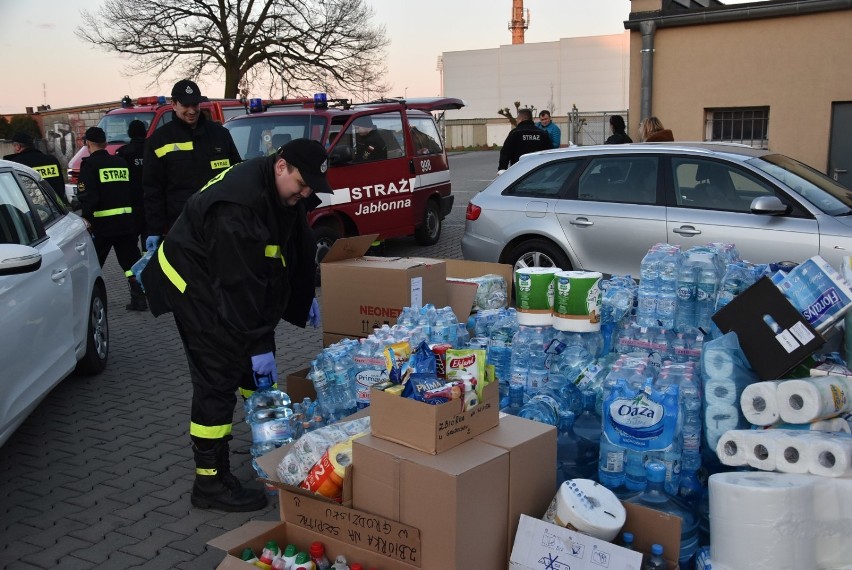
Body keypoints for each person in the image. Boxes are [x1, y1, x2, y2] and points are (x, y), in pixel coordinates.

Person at [141, 138, 330, 512]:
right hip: (195, 287)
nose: (306, 193)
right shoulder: (236, 209)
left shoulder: (277, 189)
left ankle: (266, 438)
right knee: (218, 375)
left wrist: (303, 292)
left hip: (226, 281)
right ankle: (210, 482)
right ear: (281, 166)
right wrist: (257, 343)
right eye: (302, 183)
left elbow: (290, 243)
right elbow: (240, 289)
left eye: (312, 186)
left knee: (253, 361)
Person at [143, 79, 241, 253]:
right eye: (186, 105)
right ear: (173, 104)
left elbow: (237, 175)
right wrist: (155, 229)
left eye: (195, 104)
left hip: (220, 223)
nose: (192, 110)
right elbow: (153, 189)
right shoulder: (159, 140)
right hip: (181, 226)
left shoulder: (220, 134)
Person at [76, 127, 147, 311]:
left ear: (87, 144)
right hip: (125, 224)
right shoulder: (121, 162)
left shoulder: (89, 165)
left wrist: (86, 218)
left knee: (94, 266)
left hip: (102, 227)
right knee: (131, 263)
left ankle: (90, 303)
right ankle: (140, 298)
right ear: (105, 143)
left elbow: (89, 197)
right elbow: (132, 191)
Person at [4, 131, 69, 206]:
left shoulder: (16, 164)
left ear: (18, 146)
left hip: (34, 210)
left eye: (14, 147)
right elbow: (61, 185)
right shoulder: (52, 160)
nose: (14, 149)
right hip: (57, 208)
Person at [116, 120, 148, 252]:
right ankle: (150, 267)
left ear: (129, 133)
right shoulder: (152, 148)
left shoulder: (123, 153)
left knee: (131, 242)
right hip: (152, 202)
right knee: (150, 240)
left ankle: (136, 267)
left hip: (132, 203)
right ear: (145, 132)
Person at [498, 108, 552, 173]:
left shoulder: (515, 133)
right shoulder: (542, 133)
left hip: (519, 174)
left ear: (520, 119)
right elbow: (550, 152)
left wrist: (502, 169)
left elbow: (505, 153)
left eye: (517, 119)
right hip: (538, 173)